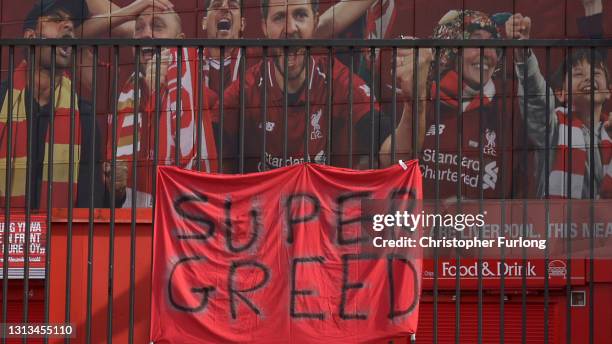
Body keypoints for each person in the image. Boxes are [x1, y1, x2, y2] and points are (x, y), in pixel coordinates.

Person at [218, 0, 430, 172]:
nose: (290, 28)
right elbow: (206, 157)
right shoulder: (246, 89)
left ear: (315, 22)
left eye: (300, 15)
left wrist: (416, 103)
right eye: (279, 17)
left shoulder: (340, 83)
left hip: (326, 219)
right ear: (264, 26)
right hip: (268, 219)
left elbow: (396, 161)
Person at [106, 5, 217, 207]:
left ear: (179, 40)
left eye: (157, 26)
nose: (146, 34)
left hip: (182, 223)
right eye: (139, 28)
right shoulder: (125, 97)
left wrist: (156, 93)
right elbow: (117, 196)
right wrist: (117, 187)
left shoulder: (201, 92)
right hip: (134, 226)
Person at [0, 0, 104, 209]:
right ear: (30, 38)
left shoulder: (85, 116)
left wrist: (114, 190)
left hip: (61, 238)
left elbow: (90, 201)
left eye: (71, 24)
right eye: (57, 19)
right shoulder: (1, 99)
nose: (68, 26)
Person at [507, 13, 612, 199]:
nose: (588, 77)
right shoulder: (551, 127)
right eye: (578, 74)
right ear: (561, 94)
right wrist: (523, 53)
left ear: (608, 91)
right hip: (556, 226)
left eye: (595, 72)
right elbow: (537, 98)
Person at [419, 10, 515, 200]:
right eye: (475, 41)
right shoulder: (423, 100)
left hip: (483, 226)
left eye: (493, 44)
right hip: (419, 225)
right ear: (453, 50)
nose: (487, 53)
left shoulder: (507, 110)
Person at [201, 0, 245, 98]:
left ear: (242, 24)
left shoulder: (256, 61)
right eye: (216, 6)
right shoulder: (188, 64)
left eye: (233, 6)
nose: (225, 8)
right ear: (204, 23)